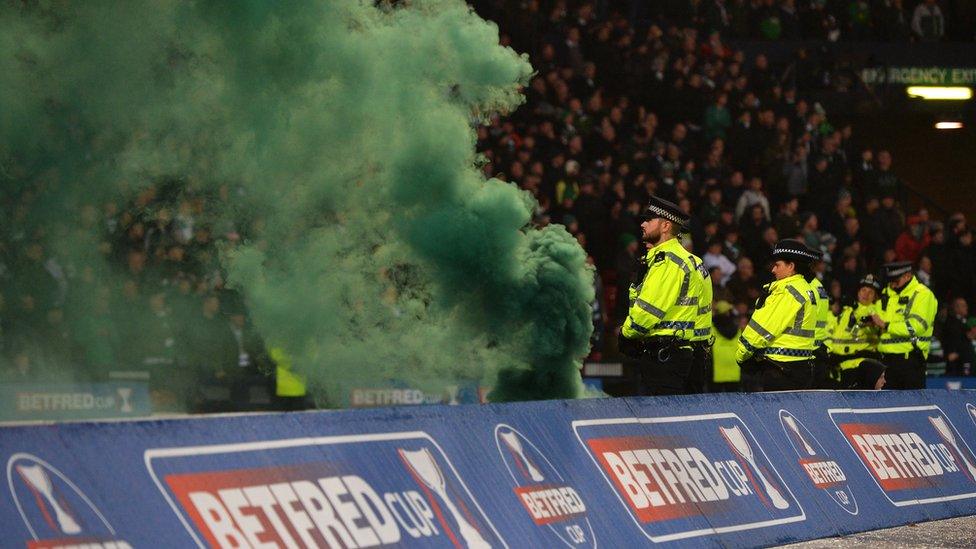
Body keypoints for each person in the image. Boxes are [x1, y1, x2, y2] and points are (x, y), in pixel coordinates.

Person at [619, 196, 710, 396]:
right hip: (690, 355)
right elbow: (701, 320)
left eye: (648, 220)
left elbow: (646, 314)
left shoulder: (666, 263)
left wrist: (626, 334)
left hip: (664, 359)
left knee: (660, 424)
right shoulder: (694, 262)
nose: (642, 224)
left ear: (665, 226)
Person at [735, 239, 819, 391]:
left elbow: (763, 329)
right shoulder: (807, 289)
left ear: (791, 266)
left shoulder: (787, 291)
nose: (773, 270)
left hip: (781, 369)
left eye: (777, 265)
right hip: (802, 365)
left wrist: (742, 354)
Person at [872, 261, 938, 389]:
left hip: (910, 361)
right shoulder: (886, 294)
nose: (893, 284)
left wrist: (885, 325)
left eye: (896, 281)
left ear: (908, 276)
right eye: (890, 281)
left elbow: (916, 326)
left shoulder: (923, 294)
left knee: (912, 406)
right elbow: (876, 318)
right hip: (884, 361)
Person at [828, 274, 886, 389]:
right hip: (841, 366)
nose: (866, 294)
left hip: (862, 367)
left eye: (871, 292)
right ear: (858, 291)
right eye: (863, 290)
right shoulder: (846, 310)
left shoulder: (875, 312)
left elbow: (865, 314)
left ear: (875, 297)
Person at [709, 301, 741, 392]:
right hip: (734, 371)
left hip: (716, 372)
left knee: (715, 403)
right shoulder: (737, 329)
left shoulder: (711, 328)